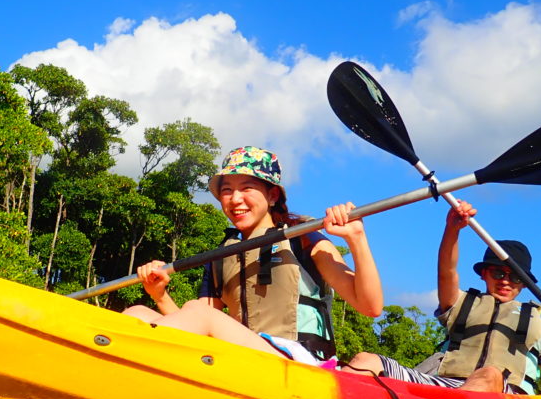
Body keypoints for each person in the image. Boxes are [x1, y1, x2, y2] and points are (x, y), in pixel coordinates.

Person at [123, 146, 383, 362]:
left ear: (271, 196)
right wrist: (159, 295)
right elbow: (189, 326)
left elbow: (370, 306)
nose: (235, 199)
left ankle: (125, 354)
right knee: (138, 313)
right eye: (227, 190)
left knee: (199, 312)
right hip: (246, 359)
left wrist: (356, 238)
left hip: (299, 361)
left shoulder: (303, 238)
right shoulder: (221, 257)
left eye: (246, 188)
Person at [344, 200, 541, 395]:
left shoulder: (540, 326)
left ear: (525, 285)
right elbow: (447, 271)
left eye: (515, 277)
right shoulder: (461, 303)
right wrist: (453, 229)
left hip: (501, 397)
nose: (506, 281)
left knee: (490, 374)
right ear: (484, 274)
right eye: (499, 273)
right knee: (367, 359)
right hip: (444, 386)